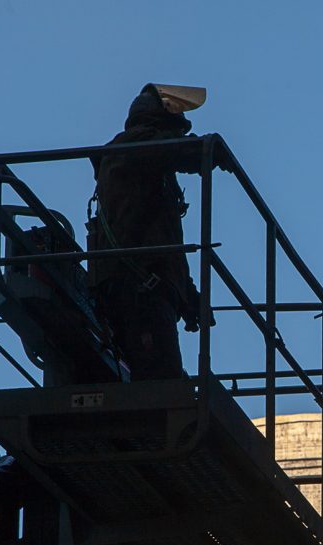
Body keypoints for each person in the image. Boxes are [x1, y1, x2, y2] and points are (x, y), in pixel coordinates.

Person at [89, 83, 229, 380]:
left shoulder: (146, 165)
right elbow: (178, 151)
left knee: (162, 381)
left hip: (144, 287)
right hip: (138, 293)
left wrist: (186, 294)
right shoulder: (136, 147)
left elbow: (159, 239)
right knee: (163, 384)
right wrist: (208, 149)